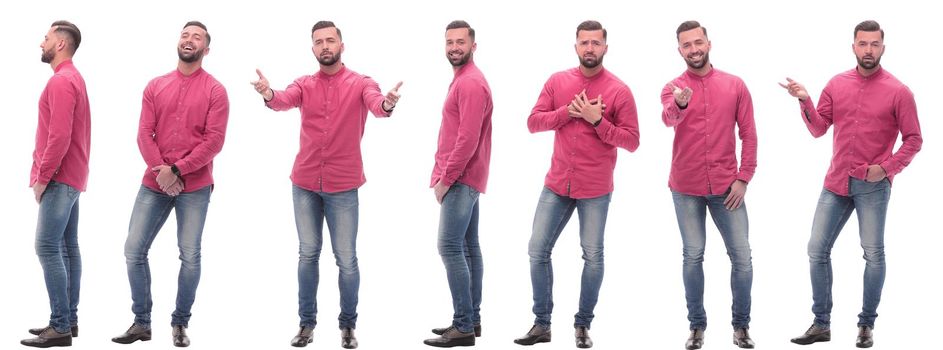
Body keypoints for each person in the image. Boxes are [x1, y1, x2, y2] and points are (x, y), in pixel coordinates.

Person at [250, 20, 402, 349]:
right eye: (318, 42)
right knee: (308, 254)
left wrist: (388, 103)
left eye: (330, 40)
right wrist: (268, 93)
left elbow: (378, 106)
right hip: (304, 183)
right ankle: (306, 324)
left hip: (343, 186)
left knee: (346, 258)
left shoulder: (362, 82)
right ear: (313, 48)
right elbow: (283, 100)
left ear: (342, 46)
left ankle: (348, 326)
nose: (325, 46)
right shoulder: (304, 84)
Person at [781, 20, 922, 348]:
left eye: (874, 44)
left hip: (872, 186)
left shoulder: (899, 92)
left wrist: (887, 169)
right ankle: (821, 324)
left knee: (873, 253)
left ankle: (866, 326)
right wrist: (804, 100)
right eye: (863, 44)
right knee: (816, 249)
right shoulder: (837, 83)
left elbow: (914, 140)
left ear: (883, 48)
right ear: (853, 46)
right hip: (836, 182)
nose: (868, 50)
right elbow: (819, 128)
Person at [514, 20, 639, 349]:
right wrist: (567, 113)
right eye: (584, 42)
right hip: (556, 184)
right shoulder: (558, 81)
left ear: (605, 48)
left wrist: (598, 121)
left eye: (596, 43)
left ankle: (583, 325)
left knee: (593, 256)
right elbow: (532, 122)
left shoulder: (619, 90)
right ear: (576, 47)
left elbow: (632, 141)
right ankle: (542, 324)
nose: (589, 48)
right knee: (537, 250)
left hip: (596, 188)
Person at [111, 21, 229, 348]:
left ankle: (180, 323)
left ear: (207, 49)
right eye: (185, 35)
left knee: (189, 254)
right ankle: (142, 322)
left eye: (197, 37)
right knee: (133, 249)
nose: (189, 40)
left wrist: (177, 169)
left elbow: (214, 141)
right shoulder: (155, 85)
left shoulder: (216, 91)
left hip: (195, 186)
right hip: (154, 182)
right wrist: (161, 170)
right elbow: (143, 133)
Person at [660, 20, 757, 350]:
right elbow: (667, 118)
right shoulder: (672, 88)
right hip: (685, 187)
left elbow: (749, 135)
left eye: (698, 42)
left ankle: (741, 326)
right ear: (679, 51)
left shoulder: (735, 85)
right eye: (686, 45)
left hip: (727, 189)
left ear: (709, 43)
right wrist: (681, 104)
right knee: (693, 255)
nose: (694, 49)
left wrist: (744, 178)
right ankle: (697, 326)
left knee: (742, 257)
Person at [423, 20, 493, 348]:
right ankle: (472, 318)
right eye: (449, 41)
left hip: (461, 178)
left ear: (473, 46)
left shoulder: (471, 84)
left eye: (460, 42)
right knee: (468, 248)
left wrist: (444, 180)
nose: (454, 47)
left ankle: (463, 324)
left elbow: (467, 139)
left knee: (449, 247)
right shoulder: (464, 80)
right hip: (468, 177)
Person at [21, 20, 90, 349]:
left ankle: (60, 325)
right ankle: (69, 319)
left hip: (60, 178)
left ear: (60, 44)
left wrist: (42, 178)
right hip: (73, 177)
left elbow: (59, 137)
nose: (41, 43)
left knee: (47, 247)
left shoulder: (62, 82)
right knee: (67, 249)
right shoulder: (74, 79)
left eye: (46, 38)